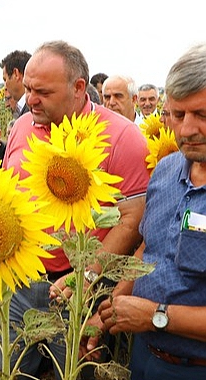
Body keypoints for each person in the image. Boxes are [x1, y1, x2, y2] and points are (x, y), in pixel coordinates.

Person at [0, 40, 150, 379]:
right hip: (18, 283)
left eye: (43, 92)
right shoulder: (22, 127)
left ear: (79, 87)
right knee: (9, 370)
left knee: (73, 371)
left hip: (79, 291)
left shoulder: (122, 138)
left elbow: (134, 218)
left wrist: (88, 274)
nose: (30, 99)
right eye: (29, 89)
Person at [96, 42, 206, 380]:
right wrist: (111, 311)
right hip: (145, 356)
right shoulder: (166, 171)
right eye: (177, 114)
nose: (186, 129)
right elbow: (149, 249)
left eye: (202, 115)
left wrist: (157, 315)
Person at [0, 50, 32, 119]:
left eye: (5, 79)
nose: (5, 87)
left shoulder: (33, 109)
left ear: (16, 74)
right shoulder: (24, 107)